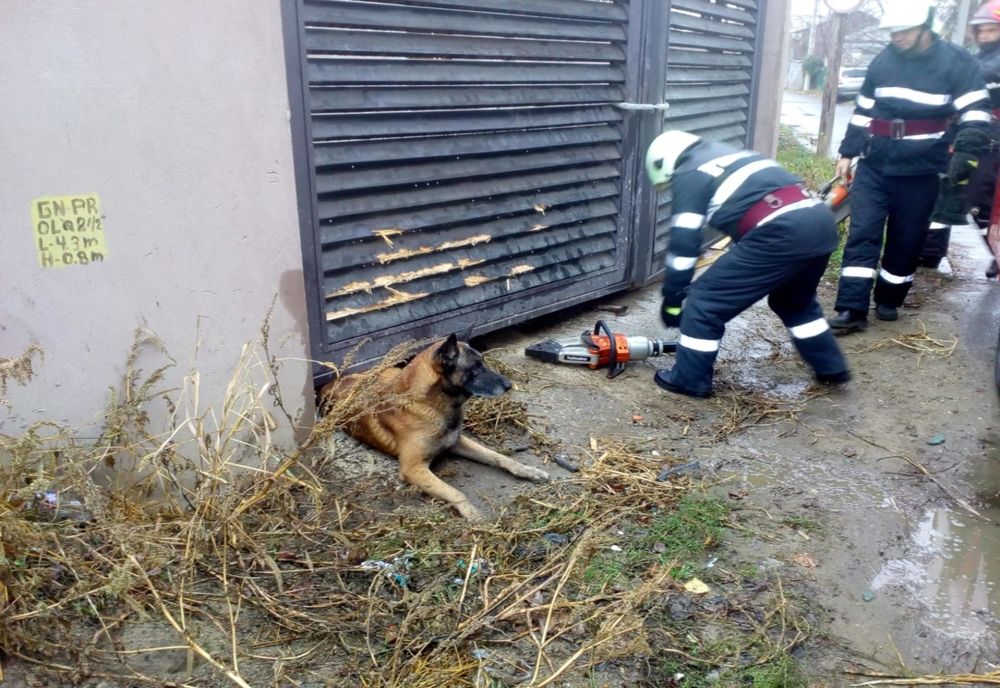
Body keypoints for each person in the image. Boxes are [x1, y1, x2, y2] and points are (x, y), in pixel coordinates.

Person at [643, 130, 850, 399]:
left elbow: (683, 245)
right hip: (819, 224)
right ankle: (831, 366)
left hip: (782, 232)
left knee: (704, 303)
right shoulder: (734, 155)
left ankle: (689, 380)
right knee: (793, 302)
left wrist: (673, 299)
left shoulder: (691, 172)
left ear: (665, 164)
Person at [828, 0, 992, 334]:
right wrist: (847, 151)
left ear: (926, 27)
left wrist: (966, 152)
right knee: (863, 234)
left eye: (904, 31)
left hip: (921, 170)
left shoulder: (956, 63)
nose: (897, 37)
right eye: (892, 32)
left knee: (906, 238)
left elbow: (976, 112)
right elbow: (863, 110)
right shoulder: (883, 60)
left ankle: (889, 298)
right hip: (875, 164)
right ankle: (852, 308)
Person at [921, 0, 1000, 278]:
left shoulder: (989, 64)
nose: (985, 34)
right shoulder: (980, 58)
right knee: (947, 192)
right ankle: (930, 252)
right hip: (969, 138)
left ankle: (996, 254)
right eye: (982, 30)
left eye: (992, 29)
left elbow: (974, 86)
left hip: (988, 143)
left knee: (980, 204)